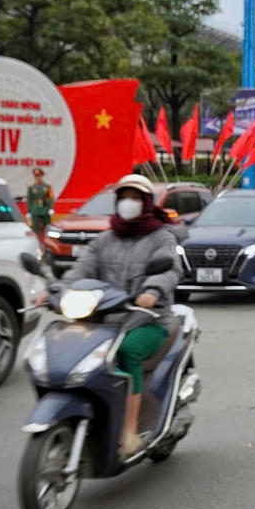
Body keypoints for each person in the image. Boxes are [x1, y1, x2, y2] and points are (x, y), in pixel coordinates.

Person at [40, 174, 183, 459]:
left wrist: (153, 290)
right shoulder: (105, 239)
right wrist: (56, 291)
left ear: (146, 203)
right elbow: (81, 270)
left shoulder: (161, 237)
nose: (129, 203)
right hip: (104, 319)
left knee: (128, 351)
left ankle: (129, 432)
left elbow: (170, 270)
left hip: (149, 318)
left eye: (135, 198)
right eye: (124, 197)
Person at [25, 168, 54, 240]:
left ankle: (48, 242)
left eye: (39, 176)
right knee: (35, 229)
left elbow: (50, 198)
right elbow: (29, 200)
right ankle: (36, 242)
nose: (38, 178)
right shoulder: (31, 188)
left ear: (42, 176)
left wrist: (51, 208)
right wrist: (28, 212)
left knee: (47, 228)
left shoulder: (47, 187)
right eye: (36, 176)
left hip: (45, 209)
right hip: (35, 210)